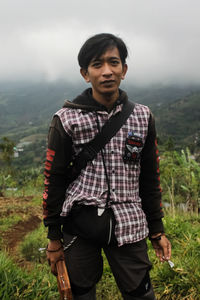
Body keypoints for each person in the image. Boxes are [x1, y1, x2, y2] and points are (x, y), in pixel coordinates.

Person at [43, 33, 171, 300]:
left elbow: (149, 177)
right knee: (81, 292)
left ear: (124, 70)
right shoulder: (67, 119)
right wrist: (54, 238)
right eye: (97, 64)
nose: (107, 71)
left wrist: (156, 229)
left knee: (141, 293)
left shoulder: (142, 117)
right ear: (85, 73)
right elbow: (53, 180)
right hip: (79, 224)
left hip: (130, 222)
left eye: (114, 63)